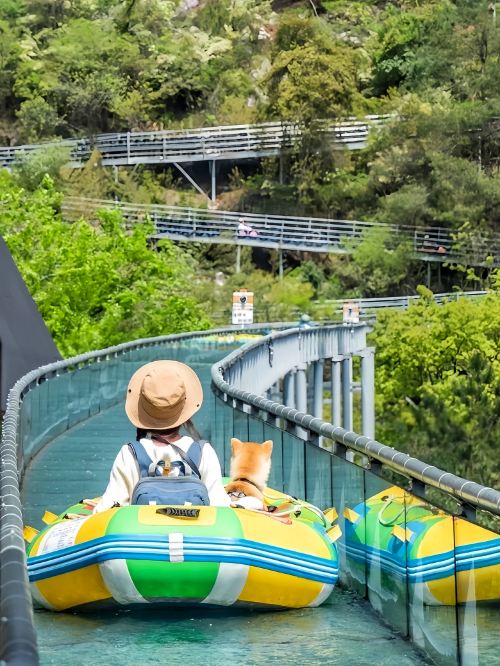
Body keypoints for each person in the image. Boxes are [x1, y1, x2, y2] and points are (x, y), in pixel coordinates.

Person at [93, 360, 231, 512]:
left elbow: (106, 509)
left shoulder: (130, 454)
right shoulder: (204, 452)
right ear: (185, 409)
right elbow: (220, 507)